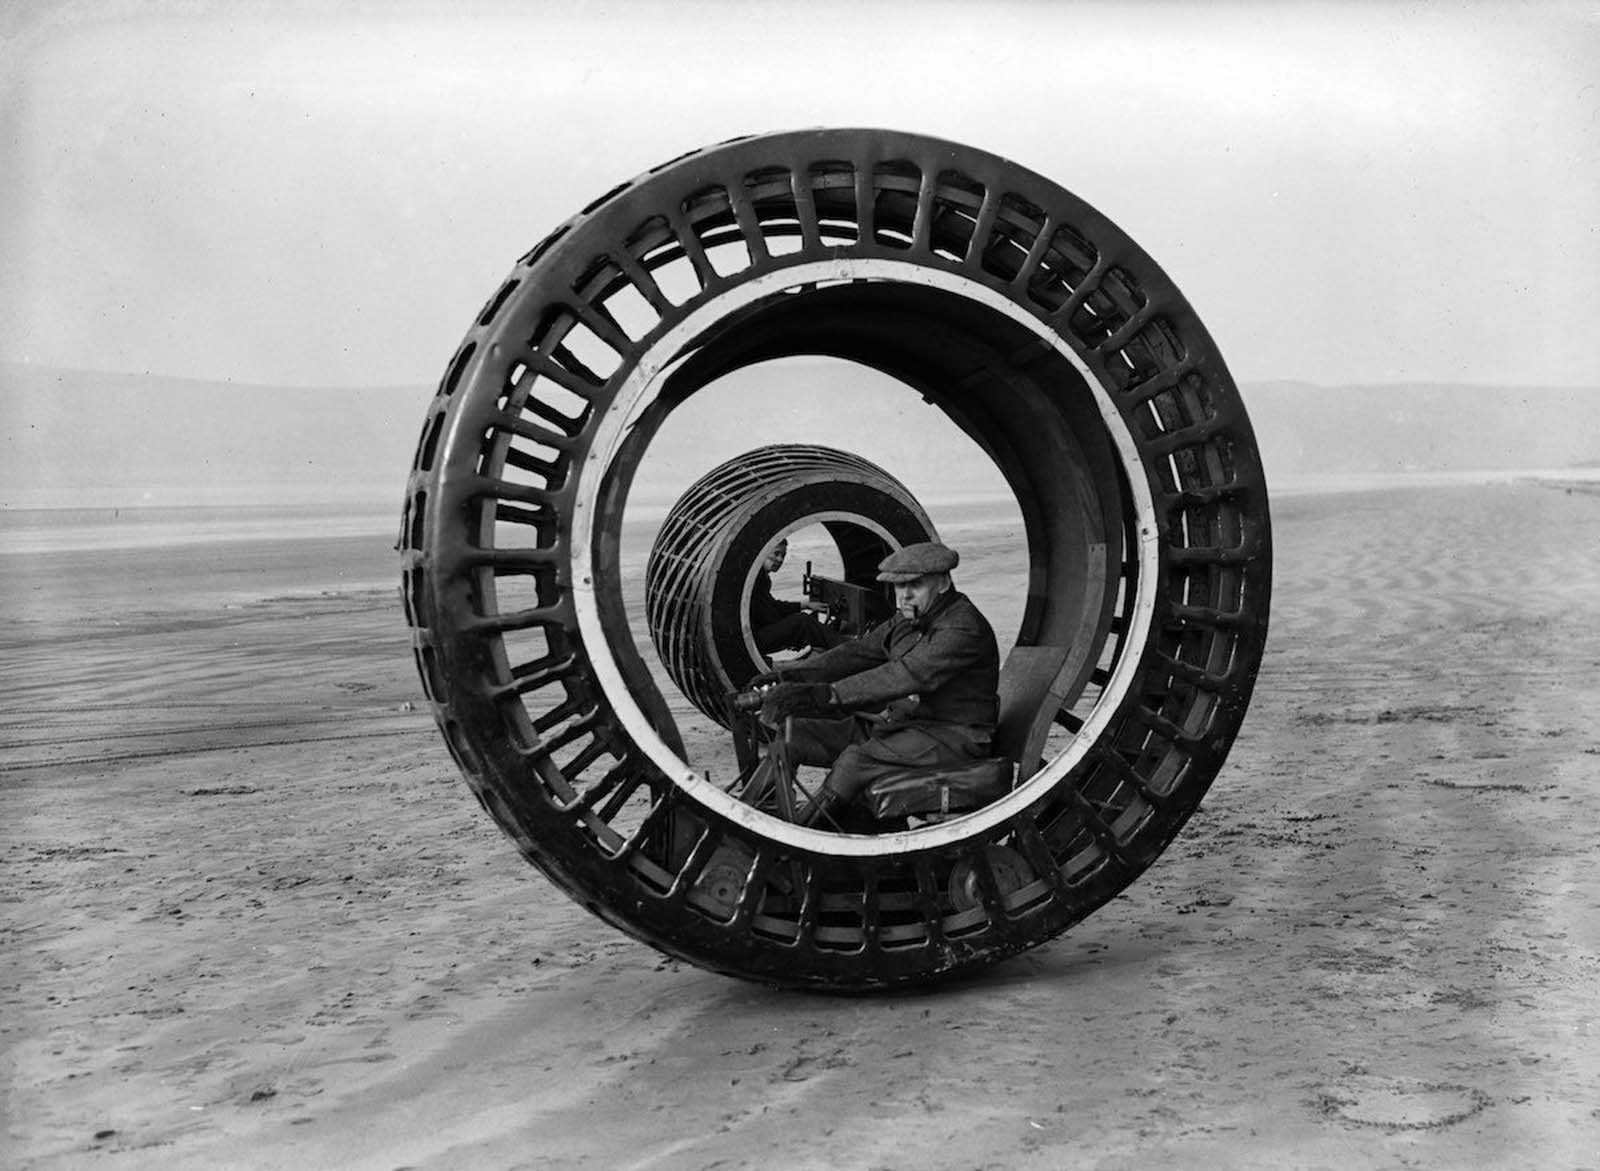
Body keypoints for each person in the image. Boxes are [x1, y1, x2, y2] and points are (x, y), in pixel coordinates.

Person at [753, 541, 1000, 827]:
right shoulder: (909, 619)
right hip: (906, 726)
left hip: (952, 736)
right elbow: (856, 653)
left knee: (855, 762)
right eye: (898, 587)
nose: (904, 596)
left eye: (915, 585)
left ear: (943, 583)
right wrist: (791, 676)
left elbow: (905, 674)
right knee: (791, 736)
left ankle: (798, 844)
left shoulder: (961, 627)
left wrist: (826, 695)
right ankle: (756, 822)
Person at [749, 538, 843, 655]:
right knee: (802, 621)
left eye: (783, 555)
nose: (780, 559)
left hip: (754, 637)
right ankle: (848, 650)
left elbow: (772, 606)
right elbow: (768, 614)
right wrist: (793, 629)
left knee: (802, 621)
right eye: (776, 553)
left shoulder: (760, 576)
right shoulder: (756, 579)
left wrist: (805, 605)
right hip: (754, 642)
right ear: (762, 552)